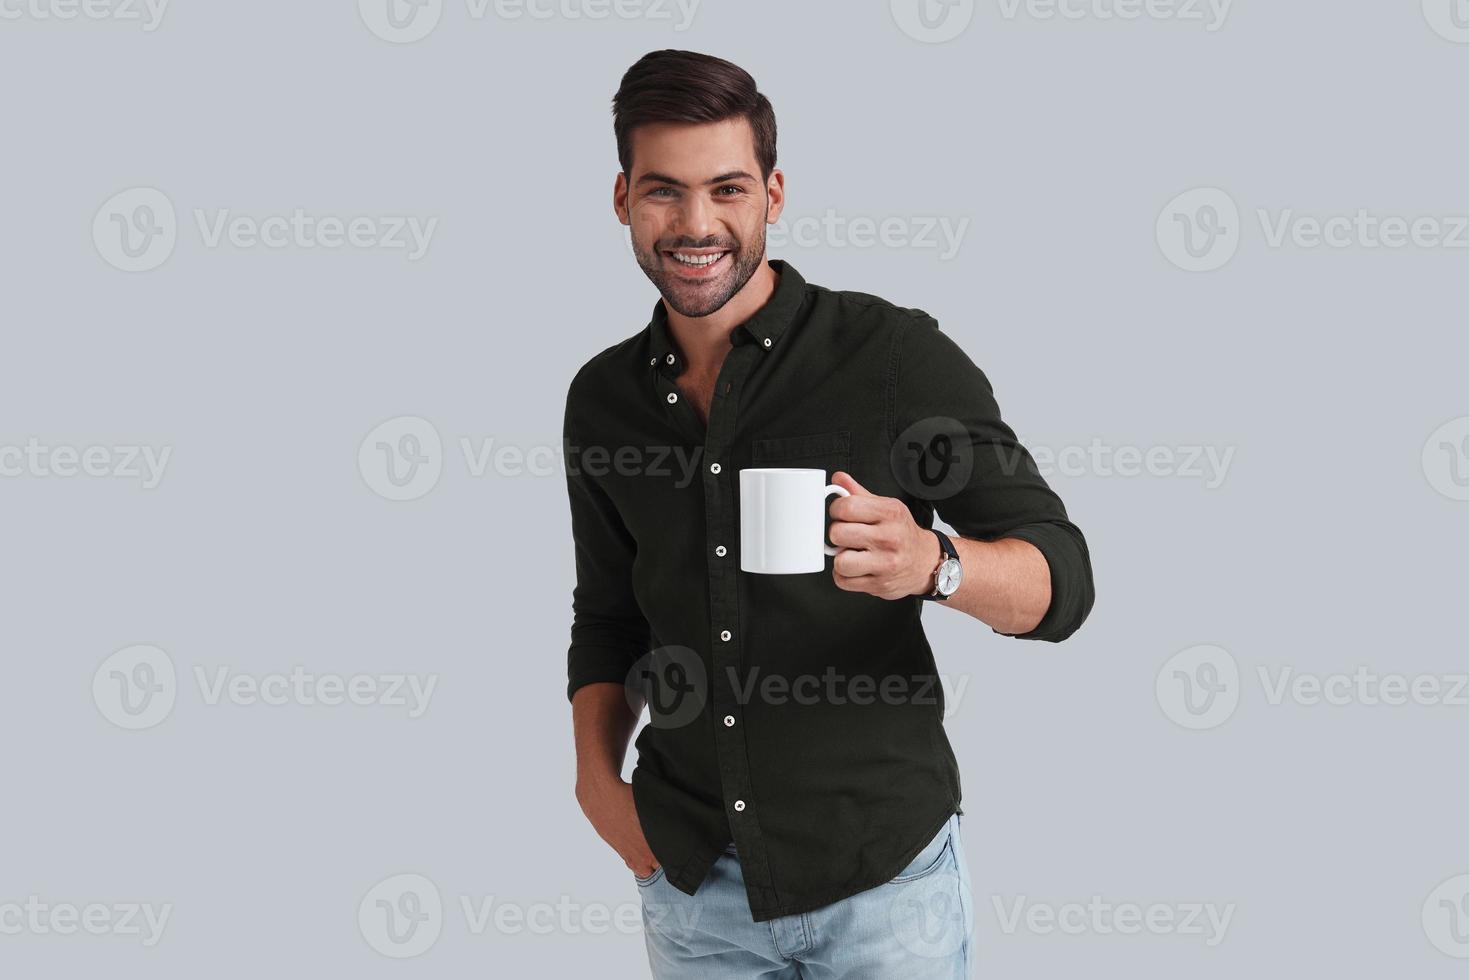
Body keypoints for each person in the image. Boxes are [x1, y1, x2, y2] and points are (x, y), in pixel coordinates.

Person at [564, 48, 1095, 980]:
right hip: (687, 886)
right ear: (621, 200)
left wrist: (934, 564)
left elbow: (1062, 583)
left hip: (883, 888)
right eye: (663, 192)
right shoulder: (601, 398)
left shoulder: (891, 356)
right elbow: (608, 617)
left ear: (773, 193)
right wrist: (597, 789)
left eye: (727, 188)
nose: (696, 224)